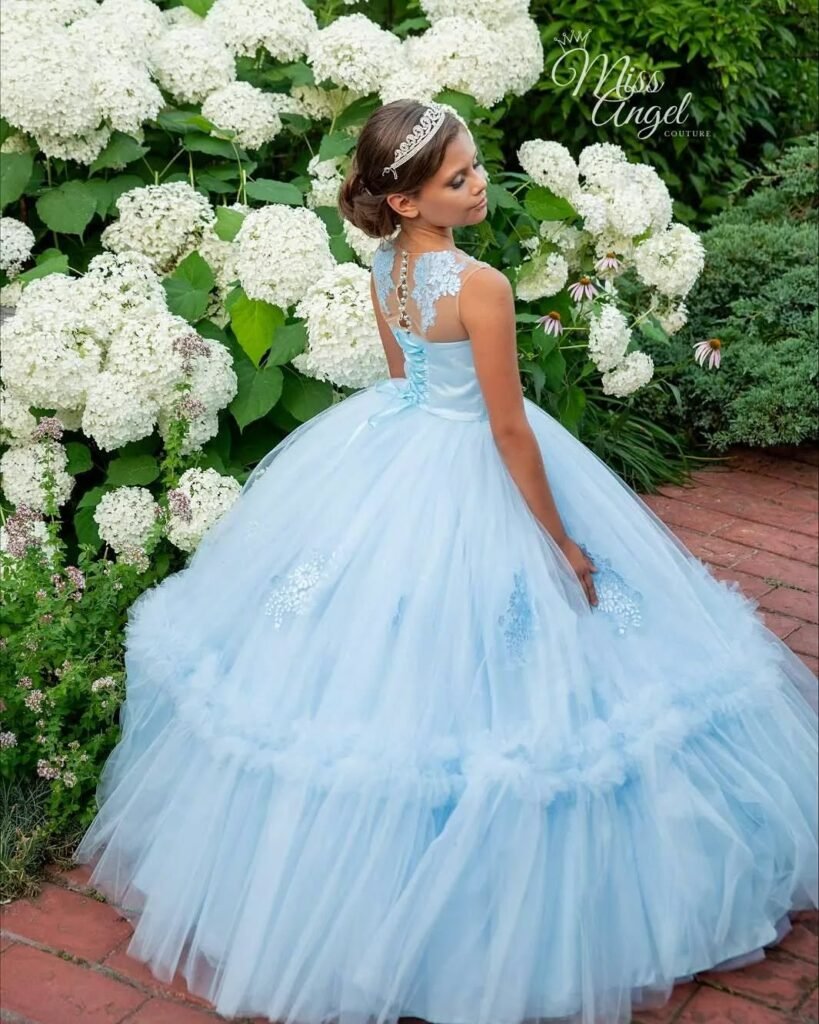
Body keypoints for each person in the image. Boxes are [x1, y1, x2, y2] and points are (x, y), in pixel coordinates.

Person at [73, 99, 818, 1024]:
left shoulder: (383, 264)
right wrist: (562, 540)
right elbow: (507, 428)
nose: (478, 185)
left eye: (473, 167)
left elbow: (401, 380)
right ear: (410, 199)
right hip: (471, 456)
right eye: (457, 177)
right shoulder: (481, 286)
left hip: (394, 445)